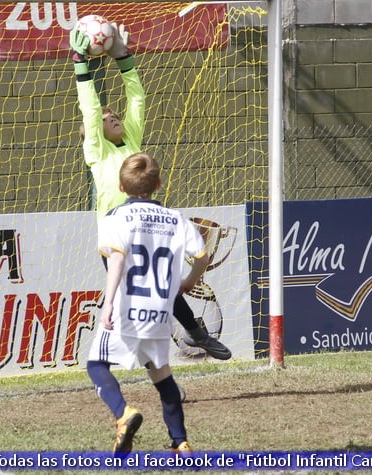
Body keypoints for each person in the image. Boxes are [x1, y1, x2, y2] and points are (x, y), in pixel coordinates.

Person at [69, 24, 231, 361]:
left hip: (145, 227)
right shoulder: (97, 151)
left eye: (114, 115)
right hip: (115, 236)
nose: (111, 116)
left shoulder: (131, 143)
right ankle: (140, 357)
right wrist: (79, 63)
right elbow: (90, 108)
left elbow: (137, 98)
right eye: (105, 116)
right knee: (141, 298)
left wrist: (124, 60)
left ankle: (194, 336)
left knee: (163, 286)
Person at [87, 152, 208, 453]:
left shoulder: (115, 217)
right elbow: (203, 255)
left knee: (96, 365)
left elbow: (116, 259)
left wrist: (108, 302)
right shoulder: (176, 219)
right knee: (161, 374)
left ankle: (124, 414)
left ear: (120, 186)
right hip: (159, 313)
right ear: (160, 183)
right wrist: (190, 281)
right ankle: (181, 442)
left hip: (127, 310)